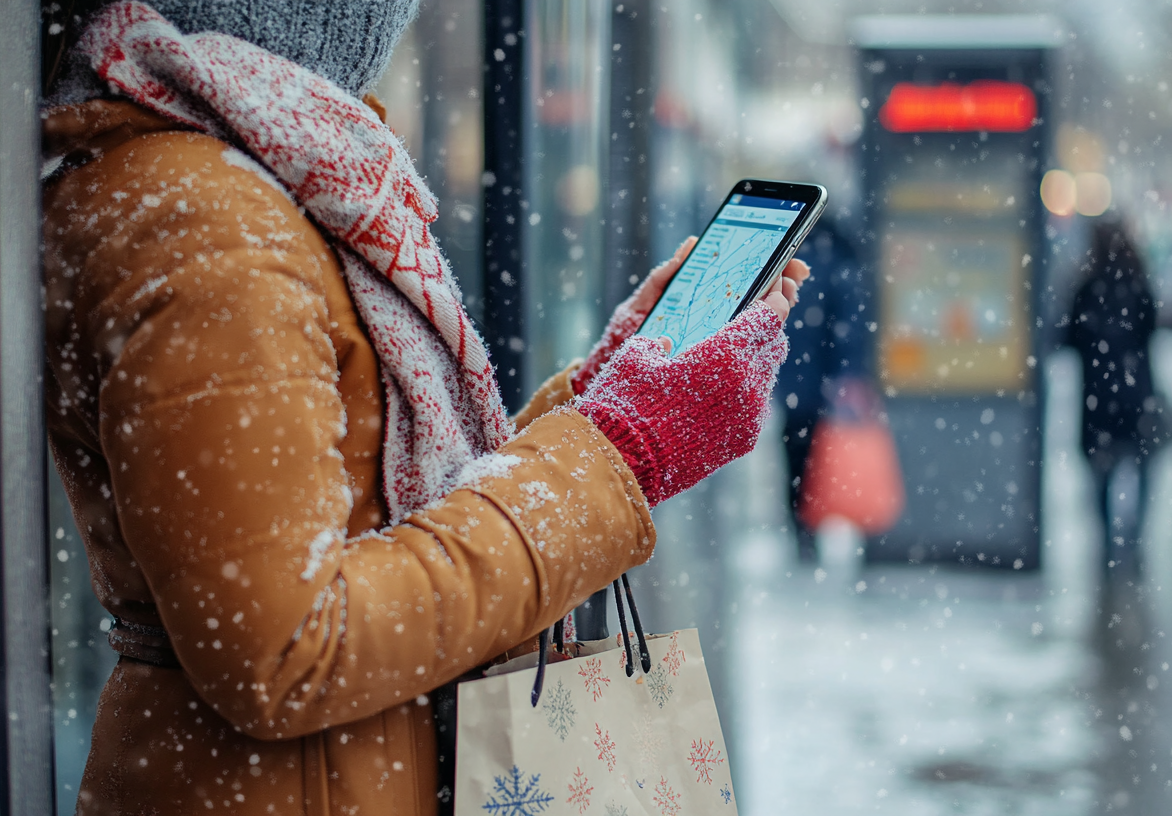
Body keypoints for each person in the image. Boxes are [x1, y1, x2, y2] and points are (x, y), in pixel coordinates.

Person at [39, 2, 807, 813]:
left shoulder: (249, 181)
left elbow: (368, 507)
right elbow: (283, 650)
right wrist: (616, 448)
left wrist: (593, 408)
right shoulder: (210, 218)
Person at [774, 218, 875, 562]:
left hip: (797, 383)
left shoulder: (793, 258)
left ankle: (802, 528)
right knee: (819, 457)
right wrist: (848, 375)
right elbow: (849, 327)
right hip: (820, 383)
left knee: (798, 457)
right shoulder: (837, 256)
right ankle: (811, 524)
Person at [1068, 221, 1159, 581]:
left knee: (1101, 474)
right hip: (1136, 393)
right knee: (1139, 465)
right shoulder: (1138, 284)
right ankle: (1133, 538)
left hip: (1097, 398)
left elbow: (1069, 337)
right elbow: (1151, 327)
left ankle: (1106, 542)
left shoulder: (1086, 287)